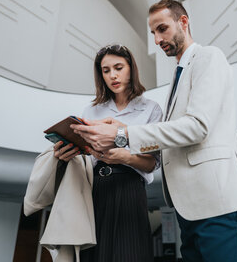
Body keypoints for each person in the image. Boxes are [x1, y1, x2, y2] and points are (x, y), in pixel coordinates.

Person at [72, 0, 237, 262]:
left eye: (162, 29)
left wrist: (122, 136)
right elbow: (170, 134)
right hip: (190, 209)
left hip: (219, 202)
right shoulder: (178, 75)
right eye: (153, 33)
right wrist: (121, 129)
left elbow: (197, 127)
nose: (157, 40)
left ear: (183, 22)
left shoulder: (209, 57)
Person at [53, 44, 162, 262]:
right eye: (106, 70)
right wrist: (66, 153)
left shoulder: (151, 109)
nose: (113, 75)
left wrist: (126, 157)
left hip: (130, 188)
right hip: (95, 190)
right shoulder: (92, 111)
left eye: (118, 67)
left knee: (130, 254)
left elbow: (152, 163)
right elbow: (85, 158)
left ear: (131, 68)